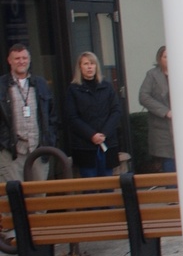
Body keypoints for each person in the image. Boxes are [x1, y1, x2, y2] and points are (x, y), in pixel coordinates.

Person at [0, 43, 58, 182]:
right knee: (14, 196)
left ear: (29, 59)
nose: (21, 61)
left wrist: (49, 139)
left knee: (38, 197)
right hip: (11, 151)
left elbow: (52, 116)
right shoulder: (2, 85)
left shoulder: (41, 84)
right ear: (9, 60)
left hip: (38, 149)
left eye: (24, 58)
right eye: (17, 58)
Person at [66, 51, 121, 176]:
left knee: (108, 187)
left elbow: (116, 111)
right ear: (80, 67)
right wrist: (92, 135)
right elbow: (72, 117)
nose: (90, 67)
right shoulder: (73, 90)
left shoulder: (107, 87)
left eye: (92, 64)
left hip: (107, 143)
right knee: (90, 188)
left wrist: (104, 133)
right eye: (86, 64)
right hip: (85, 147)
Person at [139, 46, 175, 173]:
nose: (169, 60)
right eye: (166, 57)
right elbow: (143, 97)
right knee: (169, 166)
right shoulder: (152, 75)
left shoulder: (182, 72)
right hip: (162, 128)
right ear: (160, 59)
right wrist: (165, 112)